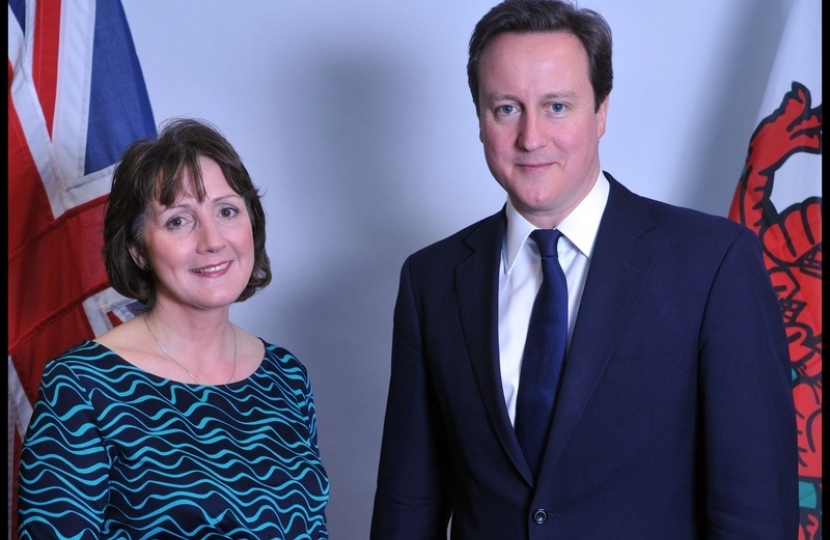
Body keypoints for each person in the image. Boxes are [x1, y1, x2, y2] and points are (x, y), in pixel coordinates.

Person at [370, 1, 798, 538]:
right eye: (506, 108)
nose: (530, 138)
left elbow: (756, 513)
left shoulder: (713, 263)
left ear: (600, 112)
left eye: (556, 107)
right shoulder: (430, 281)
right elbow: (407, 505)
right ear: (479, 118)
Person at [17, 118, 330, 539]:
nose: (212, 240)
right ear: (138, 249)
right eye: (178, 221)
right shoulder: (82, 387)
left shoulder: (286, 378)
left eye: (226, 211)